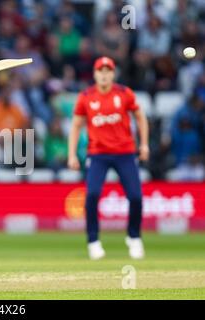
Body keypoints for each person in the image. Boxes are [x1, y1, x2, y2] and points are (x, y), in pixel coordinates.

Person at [68, 57, 149, 260]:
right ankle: (93, 241)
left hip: (125, 152)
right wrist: (71, 155)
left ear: (113, 74)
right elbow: (76, 126)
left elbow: (140, 117)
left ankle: (134, 237)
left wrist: (144, 144)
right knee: (92, 196)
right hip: (98, 154)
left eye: (108, 71)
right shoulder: (86, 96)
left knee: (136, 197)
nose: (104, 75)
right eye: (100, 71)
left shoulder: (124, 93)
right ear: (95, 74)